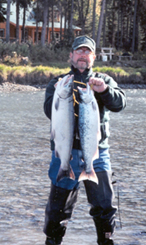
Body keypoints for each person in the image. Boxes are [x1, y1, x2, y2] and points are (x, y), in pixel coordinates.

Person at [43, 35, 126, 245]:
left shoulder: (104, 81)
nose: (83, 55)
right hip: (65, 153)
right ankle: (53, 240)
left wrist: (104, 91)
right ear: (71, 55)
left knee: (105, 206)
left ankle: (106, 240)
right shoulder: (58, 82)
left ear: (94, 57)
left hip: (96, 153)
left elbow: (120, 104)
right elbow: (48, 110)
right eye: (79, 51)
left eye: (87, 52)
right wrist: (61, 92)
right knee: (58, 207)